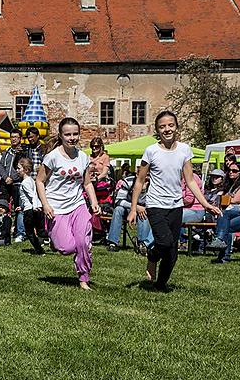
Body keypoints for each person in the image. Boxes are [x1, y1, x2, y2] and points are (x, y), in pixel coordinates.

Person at [127, 111, 220, 290]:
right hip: (155, 205)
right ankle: (152, 257)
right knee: (164, 242)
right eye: (162, 127)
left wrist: (206, 204)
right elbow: (139, 181)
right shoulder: (151, 151)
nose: (167, 129)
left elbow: (191, 181)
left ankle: (160, 285)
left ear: (176, 127)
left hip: (175, 207)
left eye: (170, 125)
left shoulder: (184, 150)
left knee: (172, 254)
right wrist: (133, 209)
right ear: (157, 130)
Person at [36, 117, 101, 291]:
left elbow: (87, 183)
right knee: (66, 247)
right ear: (61, 135)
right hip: (56, 207)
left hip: (78, 205)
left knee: (82, 242)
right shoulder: (52, 157)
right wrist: (45, 205)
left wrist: (94, 202)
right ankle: (61, 241)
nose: (72, 138)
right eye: (68, 134)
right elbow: (40, 181)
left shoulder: (82, 157)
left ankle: (83, 278)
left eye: (75, 134)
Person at [106, 173, 150, 253]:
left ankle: (142, 244)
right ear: (137, 173)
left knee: (144, 213)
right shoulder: (128, 181)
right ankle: (112, 243)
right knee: (118, 210)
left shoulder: (153, 185)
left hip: (144, 209)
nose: (146, 176)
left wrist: (141, 209)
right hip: (127, 207)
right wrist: (136, 207)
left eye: (149, 174)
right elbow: (118, 201)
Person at [0, 129, 24, 240]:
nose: (13, 139)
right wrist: (5, 177)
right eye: (12, 137)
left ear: (20, 139)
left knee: (18, 208)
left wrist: (13, 179)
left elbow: (23, 169)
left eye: (16, 137)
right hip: (5, 183)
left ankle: (19, 233)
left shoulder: (22, 152)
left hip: (17, 183)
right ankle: (3, 230)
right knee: (3, 206)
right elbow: (1, 166)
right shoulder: (6, 152)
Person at [16, 157, 45, 255]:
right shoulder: (32, 180)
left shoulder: (25, 182)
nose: (17, 170)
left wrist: (34, 206)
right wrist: (22, 207)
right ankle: (52, 239)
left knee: (29, 232)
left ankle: (39, 250)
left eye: (19, 168)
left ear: (26, 170)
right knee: (40, 231)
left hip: (30, 210)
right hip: (31, 207)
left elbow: (32, 195)